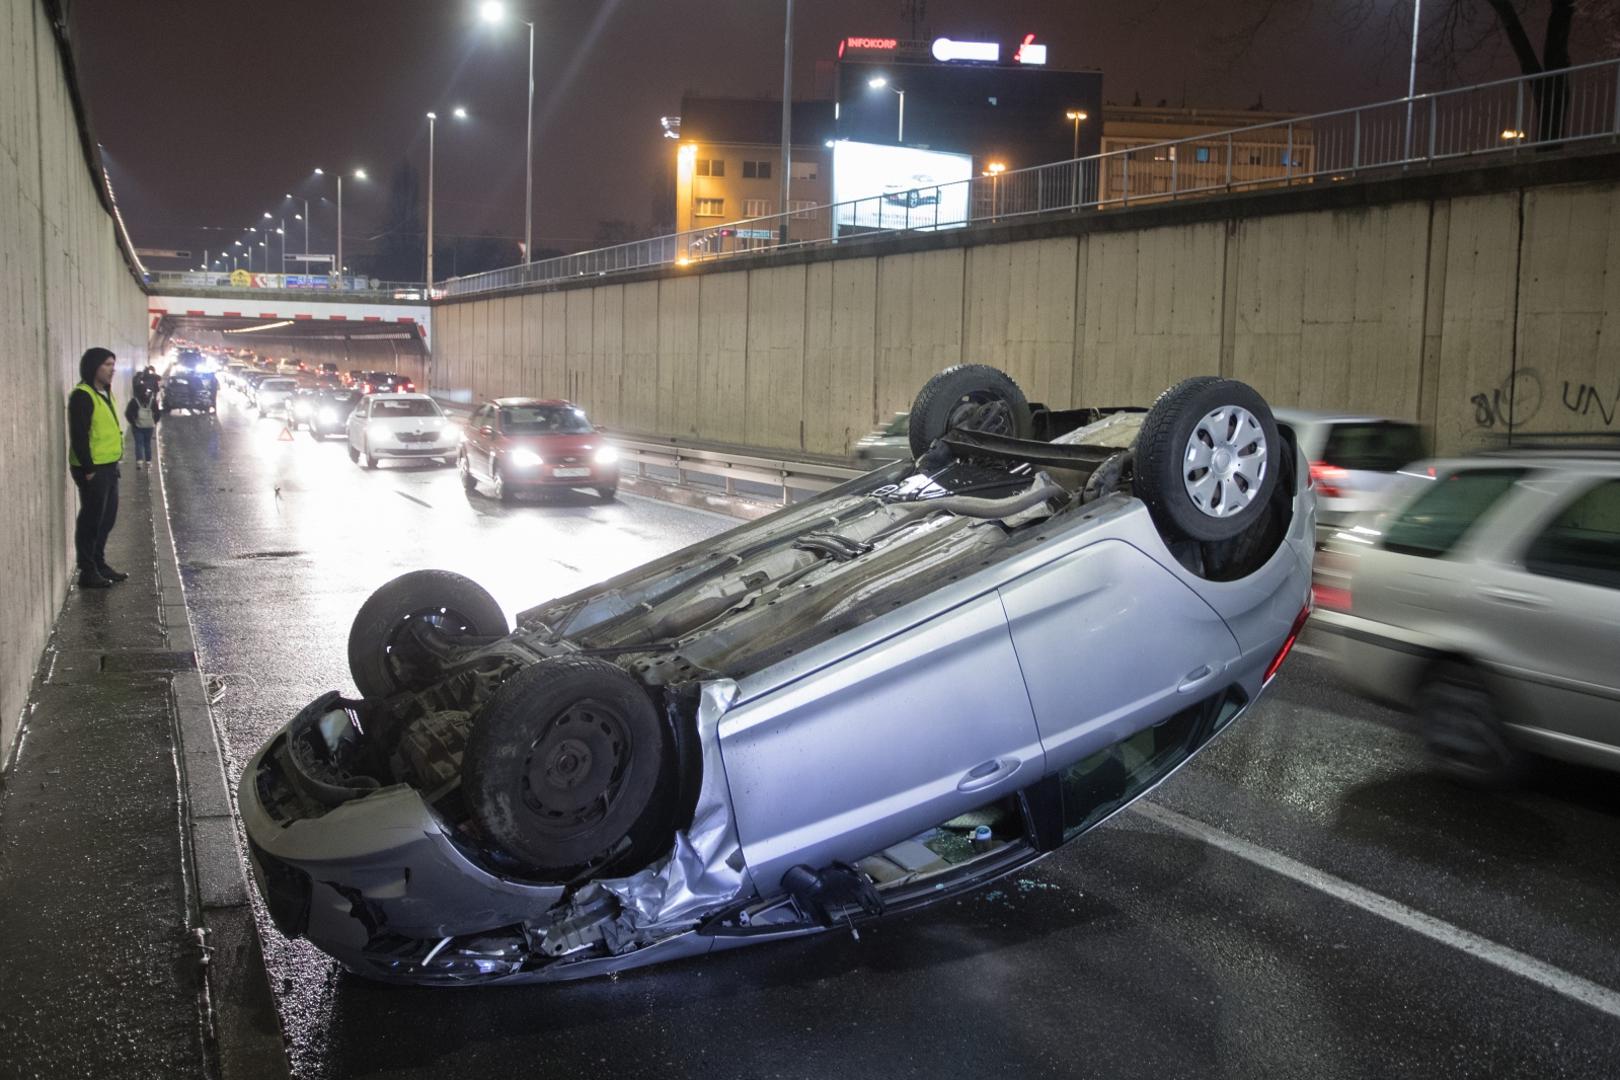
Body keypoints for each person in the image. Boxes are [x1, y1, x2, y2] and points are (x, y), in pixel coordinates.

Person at [67, 347, 127, 589]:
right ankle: (87, 570)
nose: (113, 370)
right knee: (91, 520)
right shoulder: (82, 396)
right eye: (107, 365)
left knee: (107, 518)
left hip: (108, 467)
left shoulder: (105, 392)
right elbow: (79, 435)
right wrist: (89, 469)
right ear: (94, 366)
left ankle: (99, 564)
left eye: (113, 365)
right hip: (93, 468)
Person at [125, 380, 161, 470]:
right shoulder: (152, 401)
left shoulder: (134, 401)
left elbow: (128, 413)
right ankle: (148, 461)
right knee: (147, 443)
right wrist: (154, 422)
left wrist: (133, 423)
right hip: (149, 426)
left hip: (138, 426)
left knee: (139, 443)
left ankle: (139, 462)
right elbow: (158, 413)